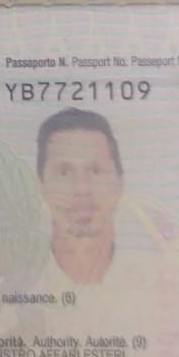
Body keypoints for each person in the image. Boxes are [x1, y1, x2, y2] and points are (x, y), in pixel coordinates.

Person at [36, 108, 123, 285]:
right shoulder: (12, 281)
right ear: (41, 186)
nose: (82, 188)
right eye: (64, 173)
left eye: (95, 171)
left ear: (120, 183)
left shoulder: (165, 277)